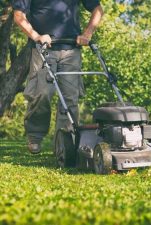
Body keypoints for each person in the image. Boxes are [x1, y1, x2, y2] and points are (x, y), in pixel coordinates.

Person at [12, 0, 103, 154]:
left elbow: (98, 9)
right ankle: (35, 136)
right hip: (43, 48)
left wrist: (87, 33)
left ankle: (65, 143)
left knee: (70, 98)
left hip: (71, 50)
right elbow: (18, 16)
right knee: (41, 93)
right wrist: (36, 36)